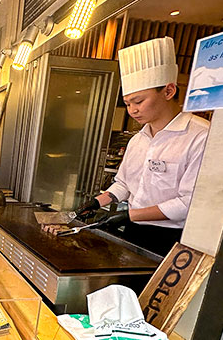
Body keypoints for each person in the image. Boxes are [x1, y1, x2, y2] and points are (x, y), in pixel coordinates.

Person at [76, 37, 210, 256]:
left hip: (172, 240)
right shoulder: (138, 139)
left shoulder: (200, 136)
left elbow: (188, 203)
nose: (132, 110)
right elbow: (124, 184)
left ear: (168, 91)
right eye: (128, 104)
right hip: (133, 231)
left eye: (138, 102)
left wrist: (130, 214)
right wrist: (96, 202)